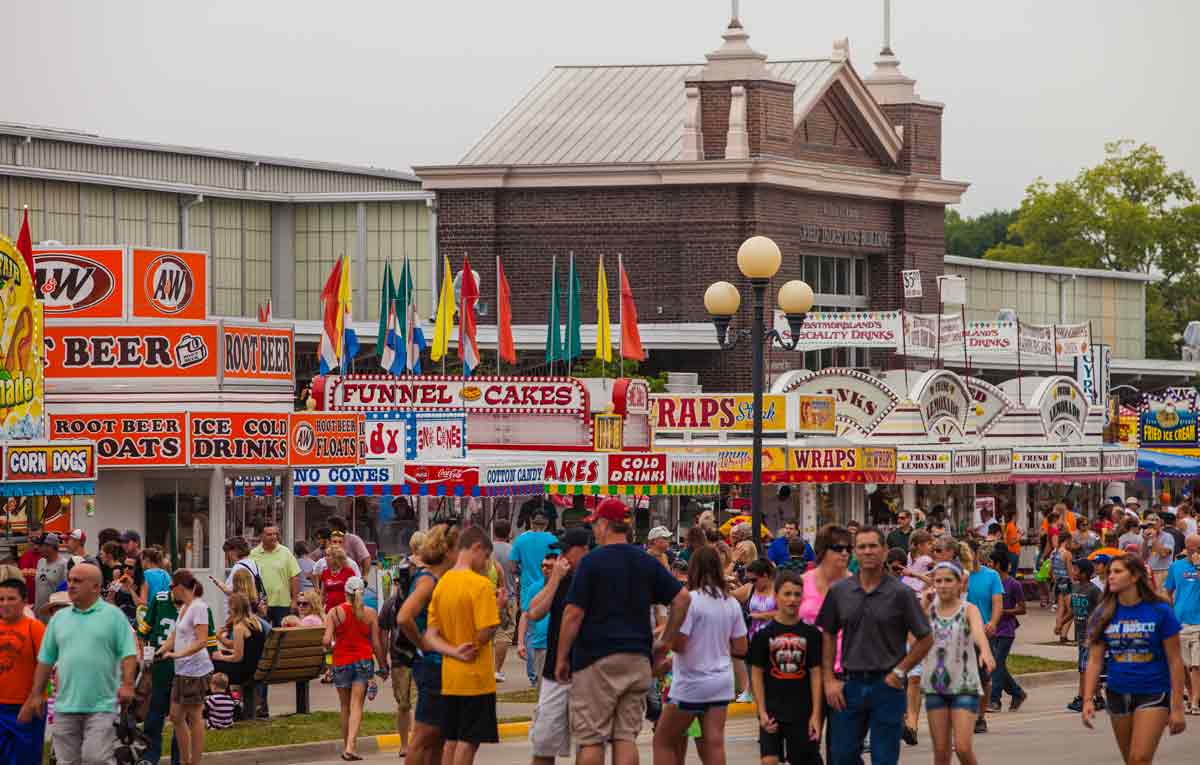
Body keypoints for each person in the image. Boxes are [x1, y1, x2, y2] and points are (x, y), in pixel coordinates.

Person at [556, 499, 691, 765]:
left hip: (596, 660)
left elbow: (573, 614)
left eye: (595, 523)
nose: (594, 529)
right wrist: (664, 642)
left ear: (605, 524)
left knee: (591, 739)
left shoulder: (591, 563)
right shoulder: (646, 561)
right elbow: (682, 599)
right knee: (625, 737)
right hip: (637, 660)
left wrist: (562, 657)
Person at [816, 526, 932, 765]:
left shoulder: (901, 593)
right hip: (850, 685)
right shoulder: (840, 591)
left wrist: (901, 671)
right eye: (862, 547)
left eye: (873, 546)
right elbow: (827, 633)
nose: (868, 552)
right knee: (841, 756)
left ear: (884, 550)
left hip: (887, 687)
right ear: (854, 552)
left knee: (884, 758)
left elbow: (925, 638)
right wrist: (829, 679)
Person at [19, 563, 137, 764]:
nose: (71, 585)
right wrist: (36, 694)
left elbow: (129, 653)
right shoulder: (59, 620)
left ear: (96, 587)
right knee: (67, 761)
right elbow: (46, 659)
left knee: (95, 758)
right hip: (65, 705)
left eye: (78, 581)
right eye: (70, 580)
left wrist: (127, 684)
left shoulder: (113, 616)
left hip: (103, 704)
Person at [1081, 554, 1187, 761]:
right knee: (1131, 759)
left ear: (1135, 576)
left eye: (1118, 572)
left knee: (1139, 758)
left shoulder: (1160, 611)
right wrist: (1087, 699)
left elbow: (1175, 661)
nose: (1110, 576)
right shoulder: (1103, 613)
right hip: (1117, 693)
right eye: (1110, 572)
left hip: (1153, 693)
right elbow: (1094, 660)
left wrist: (1177, 707)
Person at [652, 546, 748, 765]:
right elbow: (741, 647)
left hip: (692, 681)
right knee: (714, 741)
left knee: (663, 740)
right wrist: (717, 647)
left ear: (694, 569)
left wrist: (665, 641)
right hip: (721, 680)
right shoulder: (730, 602)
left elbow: (680, 644)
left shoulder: (691, 601)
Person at [424, 527, 501, 765]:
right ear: (476, 548)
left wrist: (452, 651)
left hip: (451, 676)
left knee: (452, 738)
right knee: (469, 740)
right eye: (486, 556)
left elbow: (431, 635)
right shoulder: (481, 585)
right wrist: (498, 607)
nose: (487, 563)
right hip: (476, 678)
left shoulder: (443, 582)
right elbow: (486, 629)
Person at [525, 527, 590, 765]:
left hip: (586, 670)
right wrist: (554, 579)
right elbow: (533, 611)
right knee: (544, 742)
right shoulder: (561, 580)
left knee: (588, 742)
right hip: (555, 672)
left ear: (583, 550)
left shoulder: (592, 578)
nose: (560, 557)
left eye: (565, 551)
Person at [920, 561, 995, 765]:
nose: (943, 585)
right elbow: (913, 641)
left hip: (964, 686)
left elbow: (979, 634)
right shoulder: (927, 610)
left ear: (959, 583)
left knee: (962, 748)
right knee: (941, 753)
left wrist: (986, 653)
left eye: (948, 580)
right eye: (938, 581)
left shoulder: (968, 610)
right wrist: (924, 606)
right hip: (935, 687)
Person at [747, 570, 823, 765]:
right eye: (787, 594)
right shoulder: (763, 635)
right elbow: (756, 674)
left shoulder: (812, 634)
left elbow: (816, 674)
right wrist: (761, 711)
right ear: (776, 596)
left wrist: (816, 714)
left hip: (802, 712)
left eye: (797, 594)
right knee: (769, 760)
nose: (792, 599)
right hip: (772, 711)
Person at [138, 580, 217, 765]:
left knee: (187, 716)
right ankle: (151, 756)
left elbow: (206, 643)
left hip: (188, 671)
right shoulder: (161, 600)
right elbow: (145, 632)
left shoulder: (199, 608)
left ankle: (182, 759)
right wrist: (152, 653)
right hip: (163, 668)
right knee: (157, 714)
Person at [323, 575, 386, 762]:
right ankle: (351, 746)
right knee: (357, 705)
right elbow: (375, 642)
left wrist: (330, 647)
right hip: (363, 661)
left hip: (341, 661)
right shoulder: (370, 613)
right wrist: (383, 664)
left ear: (345, 592)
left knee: (344, 706)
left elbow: (326, 641)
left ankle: (347, 746)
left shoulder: (334, 613)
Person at [159, 570, 215, 765]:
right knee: (175, 716)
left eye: (171, 587)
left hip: (195, 669)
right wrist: (161, 651)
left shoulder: (199, 607)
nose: (170, 591)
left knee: (194, 716)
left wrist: (177, 654)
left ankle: (194, 761)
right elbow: (174, 635)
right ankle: (185, 760)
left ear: (180, 587)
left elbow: (201, 641)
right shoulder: (184, 607)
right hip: (181, 669)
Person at [0, 576, 46, 765]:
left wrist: (34, 699)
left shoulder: (34, 628)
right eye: (1, 599)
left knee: (26, 759)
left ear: (25, 601)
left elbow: (45, 666)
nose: (5, 604)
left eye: (11, 598)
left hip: (26, 706)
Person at [964, 541, 1002, 734]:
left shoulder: (991, 576)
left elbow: (997, 602)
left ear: (977, 553)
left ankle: (980, 716)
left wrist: (993, 622)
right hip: (961, 634)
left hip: (984, 634)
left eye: (969, 553)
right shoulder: (958, 576)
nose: (967, 557)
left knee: (984, 677)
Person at [987, 545, 1028, 712]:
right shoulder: (990, 581)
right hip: (991, 629)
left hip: (1006, 630)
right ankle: (1017, 692)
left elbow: (1022, 608)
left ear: (998, 564)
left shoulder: (1013, 584)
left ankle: (995, 700)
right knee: (997, 665)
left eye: (991, 562)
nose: (988, 565)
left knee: (996, 664)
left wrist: (1004, 611)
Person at [1164, 534, 1200, 715]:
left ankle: (1194, 702)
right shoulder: (1176, 567)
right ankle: (1193, 694)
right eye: (1192, 548)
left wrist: (1197, 565)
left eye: (1198, 548)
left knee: (1196, 665)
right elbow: (1168, 591)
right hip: (1181, 622)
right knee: (1185, 665)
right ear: (1186, 547)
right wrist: (1169, 612)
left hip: (1198, 623)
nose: (1194, 551)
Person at [1067, 558, 1104, 713]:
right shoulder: (1075, 589)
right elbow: (1072, 610)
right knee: (1086, 668)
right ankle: (1099, 698)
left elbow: (1103, 611)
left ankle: (1081, 698)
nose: (1073, 572)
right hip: (1080, 635)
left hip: (1091, 637)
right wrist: (1061, 623)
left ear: (1084, 573)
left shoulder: (1094, 590)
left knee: (1084, 669)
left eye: (1076, 570)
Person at [211, 593, 267, 693]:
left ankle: (221, 700)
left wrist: (221, 657)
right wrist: (221, 642)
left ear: (234, 609)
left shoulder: (239, 627)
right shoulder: (255, 621)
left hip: (245, 672)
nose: (228, 611)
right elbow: (241, 646)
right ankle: (227, 699)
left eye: (229, 608)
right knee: (220, 656)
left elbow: (237, 657)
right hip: (256, 666)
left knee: (210, 665)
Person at [250, 525, 302, 627]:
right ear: (261, 536)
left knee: (282, 636)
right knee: (262, 636)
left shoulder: (285, 552)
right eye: (269, 534)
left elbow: (295, 576)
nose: (273, 537)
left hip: (282, 603)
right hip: (261, 604)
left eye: (275, 534)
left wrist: (295, 600)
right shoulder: (253, 554)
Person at [517, 553, 554, 686]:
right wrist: (520, 643)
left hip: (555, 644)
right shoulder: (534, 588)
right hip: (538, 644)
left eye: (549, 566)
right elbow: (525, 615)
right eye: (543, 566)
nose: (545, 569)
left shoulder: (565, 586)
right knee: (539, 685)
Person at [509, 511, 556, 612]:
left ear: (531, 521)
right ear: (547, 523)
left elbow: (512, 567)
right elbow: (558, 564)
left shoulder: (520, 540)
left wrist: (523, 571)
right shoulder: (553, 540)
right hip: (547, 590)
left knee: (526, 621)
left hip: (526, 591)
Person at [490, 519, 518, 683]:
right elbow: (516, 571)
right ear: (509, 533)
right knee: (504, 633)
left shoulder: (488, 549)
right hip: (508, 595)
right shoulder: (513, 550)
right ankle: (497, 670)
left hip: (488, 594)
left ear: (494, 532)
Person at [34, 533, 68, 621]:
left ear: (51, 546)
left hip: (54, 615)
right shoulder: (40, 562)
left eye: (41, 545)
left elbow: (65, 592)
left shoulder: (63, 564)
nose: (38, 548)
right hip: (39, 614)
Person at [320, 544, 357, 613]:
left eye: (328, 555)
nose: (325, 558)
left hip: (345, 609)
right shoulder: (325, 572)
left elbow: (354, 593)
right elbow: (323, 594)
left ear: (336, 557)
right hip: (329, 610)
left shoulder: (349, 572)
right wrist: (320, 610)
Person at [1003, 510, 1022, 579]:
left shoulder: (1012, 526)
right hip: (1012, 552)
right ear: (1014, 516)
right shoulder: (1011, 526)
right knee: (1012, 574)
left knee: (1013, 572)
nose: (1018, 517)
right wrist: (1019, 536)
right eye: (1017, 515)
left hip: (1014, 552)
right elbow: (1011, 542)